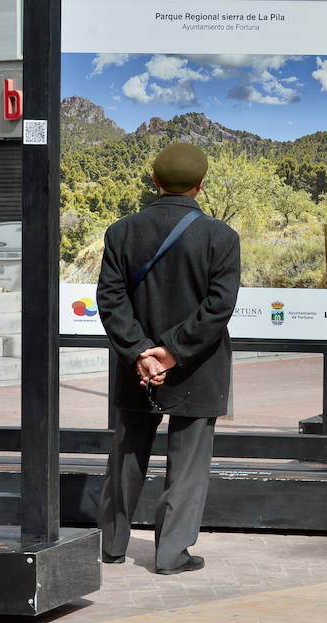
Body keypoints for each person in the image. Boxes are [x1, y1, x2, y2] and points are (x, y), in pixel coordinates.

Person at [96, 142, 240, 575]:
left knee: (126, 455)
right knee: (188, 464)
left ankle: (112, 546)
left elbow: (111, 299)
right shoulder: (221, 237)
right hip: (198, 365)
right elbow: (218, 307)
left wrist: (141, 351)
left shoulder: (122, 232)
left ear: (155, 180)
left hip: (136, 368)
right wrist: (172, 352)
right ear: (201, 184)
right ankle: (171, 554)